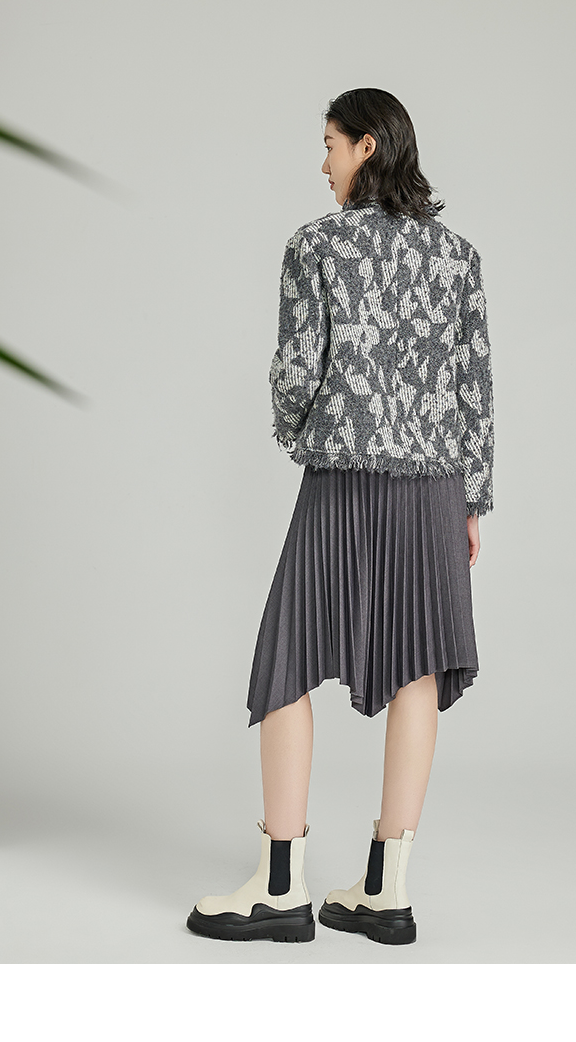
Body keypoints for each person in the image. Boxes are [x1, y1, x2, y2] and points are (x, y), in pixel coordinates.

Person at [187, 87, 494, 946]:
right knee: (419, 665)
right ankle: (386, 890)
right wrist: (472, 499)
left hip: (344, 477)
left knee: (288, 659)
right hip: (435, 485)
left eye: (329, 144)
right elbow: (474, 385)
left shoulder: (315, 245)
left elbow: (297, 369)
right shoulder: (459, 256)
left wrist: (302, 435)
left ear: (366, 145)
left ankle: (280, 885)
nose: (321, 162)